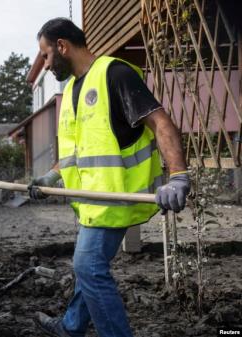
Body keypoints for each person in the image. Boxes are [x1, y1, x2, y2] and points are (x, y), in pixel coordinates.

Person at [28, 18, 189, 337]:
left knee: (88, 267)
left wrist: (179, 176)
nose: (45, 65)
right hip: (90, 203)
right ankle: (72, 326)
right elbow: (77, 150)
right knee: (87, 267)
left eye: (45, 55)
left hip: (114, 200)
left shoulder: (114, 73)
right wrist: (50, 177)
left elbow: (161, 123)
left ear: (62, 46)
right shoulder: (74, 88)